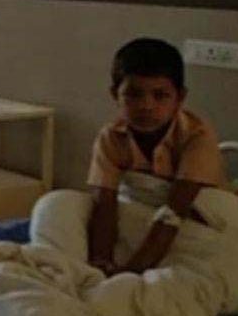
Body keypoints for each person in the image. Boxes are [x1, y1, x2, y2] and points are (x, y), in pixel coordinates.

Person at [85, 38, 226, 275]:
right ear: (115, 94)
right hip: (140, 216)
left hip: (188, 226)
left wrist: (130, 273)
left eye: (160, 96)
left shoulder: (197, 136)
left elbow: (173, 213)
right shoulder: (111, 137)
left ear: (180, 98)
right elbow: (104, 205)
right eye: (133, 94)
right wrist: (101, 263)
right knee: (58, 203)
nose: (146, 106)